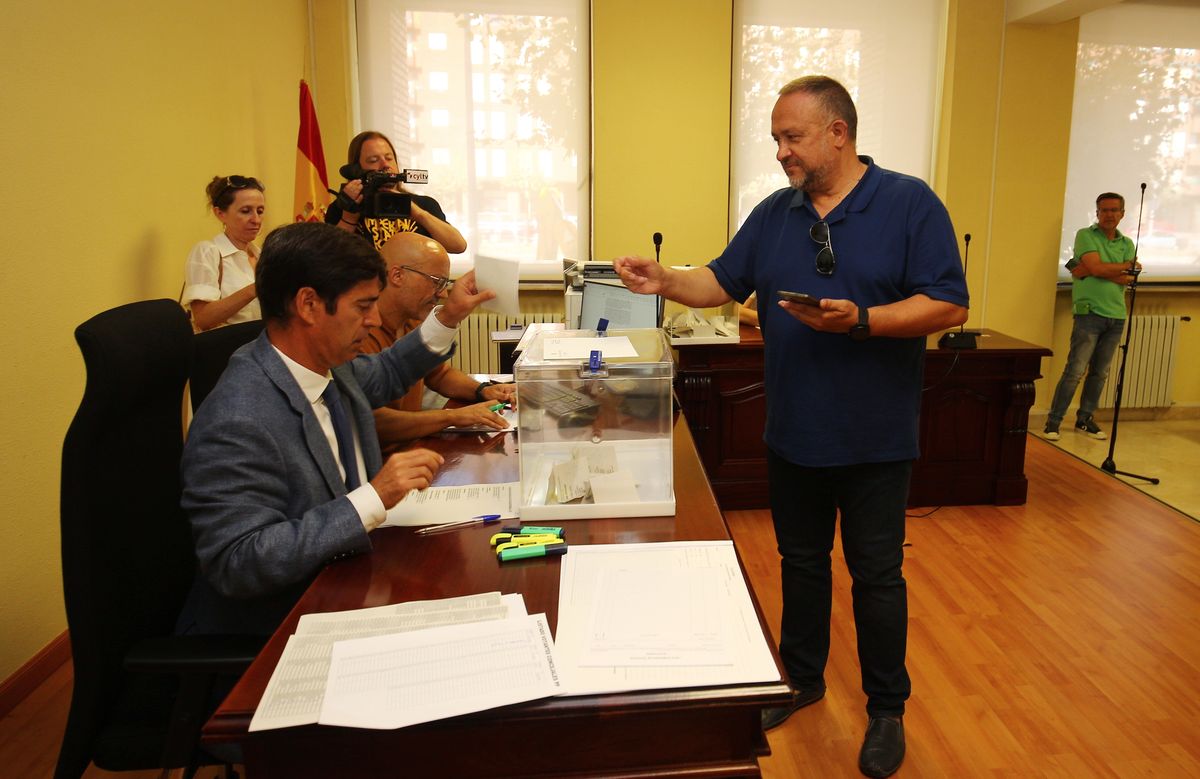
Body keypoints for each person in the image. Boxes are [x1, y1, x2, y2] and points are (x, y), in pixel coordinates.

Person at [613, 76, 968, 778]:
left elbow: (948, 305)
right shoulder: (777, 212)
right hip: (794, 431)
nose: (781, 151)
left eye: (792, 136)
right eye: (776, 138)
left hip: (874, 437)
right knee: (801, 565)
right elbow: (720, 280)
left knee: (877, 573)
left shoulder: (908, 203)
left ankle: (887, 708)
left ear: (839, 131)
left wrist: (863, 320)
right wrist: (665, 280)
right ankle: (802, 679)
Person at [177, 222, 494, 638]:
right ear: (308, 305)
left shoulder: (324, 365)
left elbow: (389, 370)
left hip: (351, 576)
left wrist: (449, 314)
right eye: (363, 306)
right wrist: (372, 497)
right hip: (287, 625)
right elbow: (239, 561)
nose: (375, 319)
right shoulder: (239, 417)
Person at [361, 232, 515, 455]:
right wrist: (453, 417)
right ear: (397, 275)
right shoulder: (361, 332)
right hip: (383, 463)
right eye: (436, 281)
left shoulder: (412, 318)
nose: (442, 293)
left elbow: (438, 375)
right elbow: (372, 422)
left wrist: (483, 391)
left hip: (412, 449)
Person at [1043, 193, 1140, 441]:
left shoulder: (1127, 243)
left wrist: (1093, 270)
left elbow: (1126, 276)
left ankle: (1084, 419)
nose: (1109, 214)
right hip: (1089, 313)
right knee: (1075, 370)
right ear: (1097, 213)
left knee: (1101, 373)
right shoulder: (1085, 235)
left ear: (1122, 214)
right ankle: (1053, 422)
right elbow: (1098, 268)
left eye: (1114, 210)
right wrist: (1118, 267)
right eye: (1104, 210)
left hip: (1117, 314)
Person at [327, 130, 468, 254]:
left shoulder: (424, 204)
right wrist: (349, 218)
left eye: (389, 158)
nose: (385, 165)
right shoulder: (343, 208)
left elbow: (458, 246)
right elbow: (329, 256)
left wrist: (418, 213)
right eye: (374, 160)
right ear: (356, 169)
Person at [181, 175, 266, 330]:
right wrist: (256, 288)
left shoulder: (262, 255)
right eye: (246, 211)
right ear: (220, 214)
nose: (256, 219)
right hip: (227, 349)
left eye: (260, 211)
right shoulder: (208, 252)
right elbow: (204, 320)